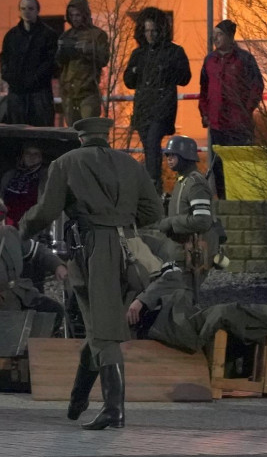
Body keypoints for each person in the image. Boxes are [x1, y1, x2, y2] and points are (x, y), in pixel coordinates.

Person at [20, 116, 164, 430]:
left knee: (102, 331)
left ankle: (114, 409)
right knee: (100, 324)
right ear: (106, 136)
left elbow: (46, 210)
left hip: (92, 248)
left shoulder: (65, 163)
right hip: (129, 246)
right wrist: (122, 219)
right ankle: (78, 399)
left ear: (81, 138)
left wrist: (24, 228)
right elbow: (154, 212)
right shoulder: (131, 164)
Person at [123, 7, 192, 194]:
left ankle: (153, 185)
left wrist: (169, 70)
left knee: (153, 143)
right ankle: (152, 186)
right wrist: (135, 72)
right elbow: (128, 81)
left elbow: (185, 77)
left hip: (162, 106)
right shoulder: (139, 54)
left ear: (160, 31)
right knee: (148, 146)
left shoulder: (174, 51)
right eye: (147, 31)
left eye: (153, 31)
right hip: (144, 106)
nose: (150, 35)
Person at [199, 19, 265, 199]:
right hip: (217, 122)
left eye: (219, 34)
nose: (215, 38)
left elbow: (257, 86)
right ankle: (223, 200)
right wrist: (205, 113)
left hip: (238, 124)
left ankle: (240, 198)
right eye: (214, 35)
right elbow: (204, 89)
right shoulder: (209, 61)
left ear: (230, 36)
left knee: (239, 163)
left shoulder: (244, 59)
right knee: (218, 165)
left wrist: (246, 109)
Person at [155, 135, 220, 288]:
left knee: (184, 299)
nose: (169, 159)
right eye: (167, 155)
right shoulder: (183, 182)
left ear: (185, 156)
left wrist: (171, 222)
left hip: (192, 254)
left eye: (173, 155)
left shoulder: (195, 184)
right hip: (182, 252)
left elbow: (202, 220)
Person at [0, 0, 59, 126]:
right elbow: (4, 57)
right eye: (23, 8)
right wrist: (8, 75)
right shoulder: (11, 35)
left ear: (37, 10)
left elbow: (51, 61)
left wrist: (36, 78)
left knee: (41, 134)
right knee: (17, 134)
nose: (26, 12)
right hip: (17, 93)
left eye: (30, 8)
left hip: (39, 93)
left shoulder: (48, 35)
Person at [56, 0, 110, 126]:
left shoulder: (97, 35)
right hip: (69, 93)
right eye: (72, 15)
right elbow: (59, 64)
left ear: (85, 15)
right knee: (72, 134)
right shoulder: (66, 36)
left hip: (88, 92)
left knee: (88, 131)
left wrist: (88, 50)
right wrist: (62, 51)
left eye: (78, 15)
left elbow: (104, 59)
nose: (75, 18)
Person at [0, 142, 47, 227]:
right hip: (7, 225)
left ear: (41, 157)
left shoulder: (45, 176)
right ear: (23, 156)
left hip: (30, 226)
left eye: (36, 154)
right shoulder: (10, 175)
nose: (32, 157)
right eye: (28, 153)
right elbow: (0, 198)